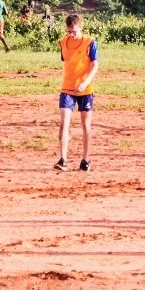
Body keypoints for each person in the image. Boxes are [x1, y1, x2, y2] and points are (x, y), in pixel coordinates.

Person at [55, 14, 98, 172]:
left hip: (85, 90)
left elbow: (95, 66)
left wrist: (85, 83)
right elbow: (67, 63)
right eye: (68, 31)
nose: (70, 34)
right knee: (64, 122)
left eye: (73, 31)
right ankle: (63, 159)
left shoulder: (90, 42)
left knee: (85, 125)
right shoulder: (63, 42)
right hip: (67, 89)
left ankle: (86, 160)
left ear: (79, 27)